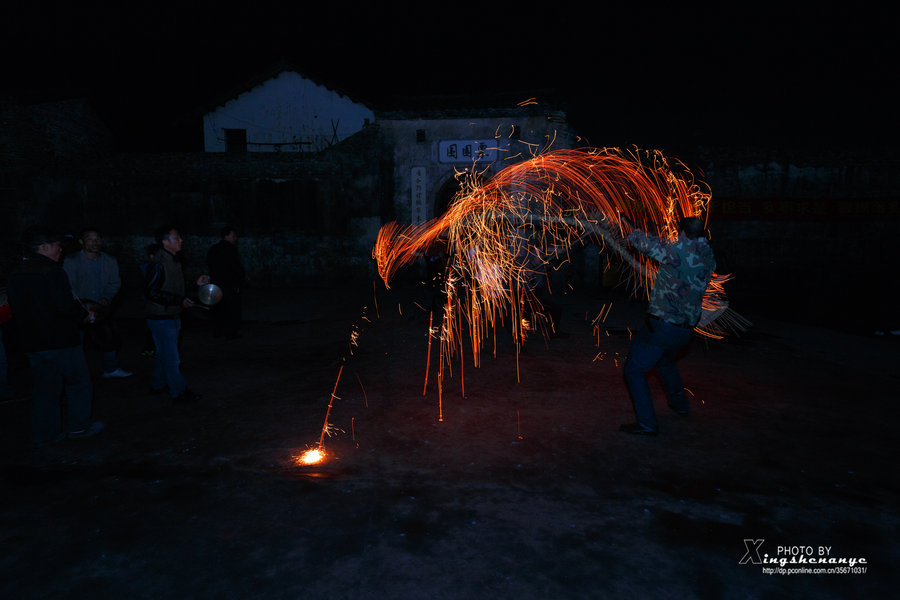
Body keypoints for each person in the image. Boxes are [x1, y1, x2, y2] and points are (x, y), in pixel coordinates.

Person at [619, 216, 716, 436]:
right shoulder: (709, 255)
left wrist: (628, 226)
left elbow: (645, 245)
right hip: (686, 330)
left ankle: (647, 423)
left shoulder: (677, 252)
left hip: (664, 326)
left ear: (681, 233)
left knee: (634, 370)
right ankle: (680, 405)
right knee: (666, 363)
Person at [6, 228, 104, 444]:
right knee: (78, 382)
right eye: (56, 244)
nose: (61, 248)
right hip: (61, 341)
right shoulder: (52, 271)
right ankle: (79, 426)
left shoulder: (15, 273)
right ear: (43, 247)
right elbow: (65, 307)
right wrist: (84, 316)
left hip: (33, 343)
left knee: (44, 389)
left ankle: (46, 434)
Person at [145, 226, 208, 403]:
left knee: (164, 354)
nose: (181, 240)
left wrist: (195, 283)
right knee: (172, 358)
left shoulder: (173, 260)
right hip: (161, 317)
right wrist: (178, 300)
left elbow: (174, 285)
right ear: (165, 242)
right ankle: (179, 392)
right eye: (176, 238)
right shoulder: (159, 263)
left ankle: (158, 385)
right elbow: (152, 291)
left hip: (169, 315)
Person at [63, 227, 132, 379]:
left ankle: (110, 369)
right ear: (81, 242)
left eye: (97, 239)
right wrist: (84, 307)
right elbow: (69, 287)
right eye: (89, 239)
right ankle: (75, 374)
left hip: (102, 309)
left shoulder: (109, 261)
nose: (95, 242)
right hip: (80, 309)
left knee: (108, 338)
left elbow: (115, 283)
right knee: (77, 343)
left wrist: (106, 299)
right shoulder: (71, 261)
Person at [206, 225, 247, 339]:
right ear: (227, 236)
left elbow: (209, 264)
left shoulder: (214, 249)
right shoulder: (230, 249)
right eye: (233, 235)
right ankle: (230, 332)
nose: (236, 238)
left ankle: (218, 331)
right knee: (231, 308)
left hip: (218, 284)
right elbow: (235, 267)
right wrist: (240, 280)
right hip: (229, 285)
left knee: (219, 308)